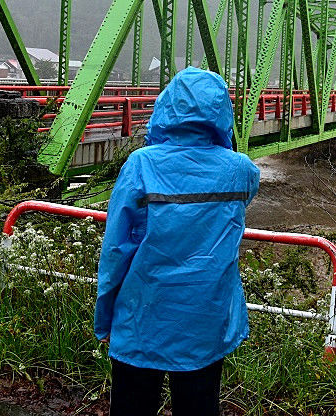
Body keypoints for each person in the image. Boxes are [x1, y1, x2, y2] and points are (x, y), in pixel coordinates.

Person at [94, 66, 260, 416]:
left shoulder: (141, 165)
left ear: (166, 107)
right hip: (206, 321)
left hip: (143, 317)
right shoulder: (241, 170)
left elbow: (116, 250)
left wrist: (105, 317)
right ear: (221, 112)